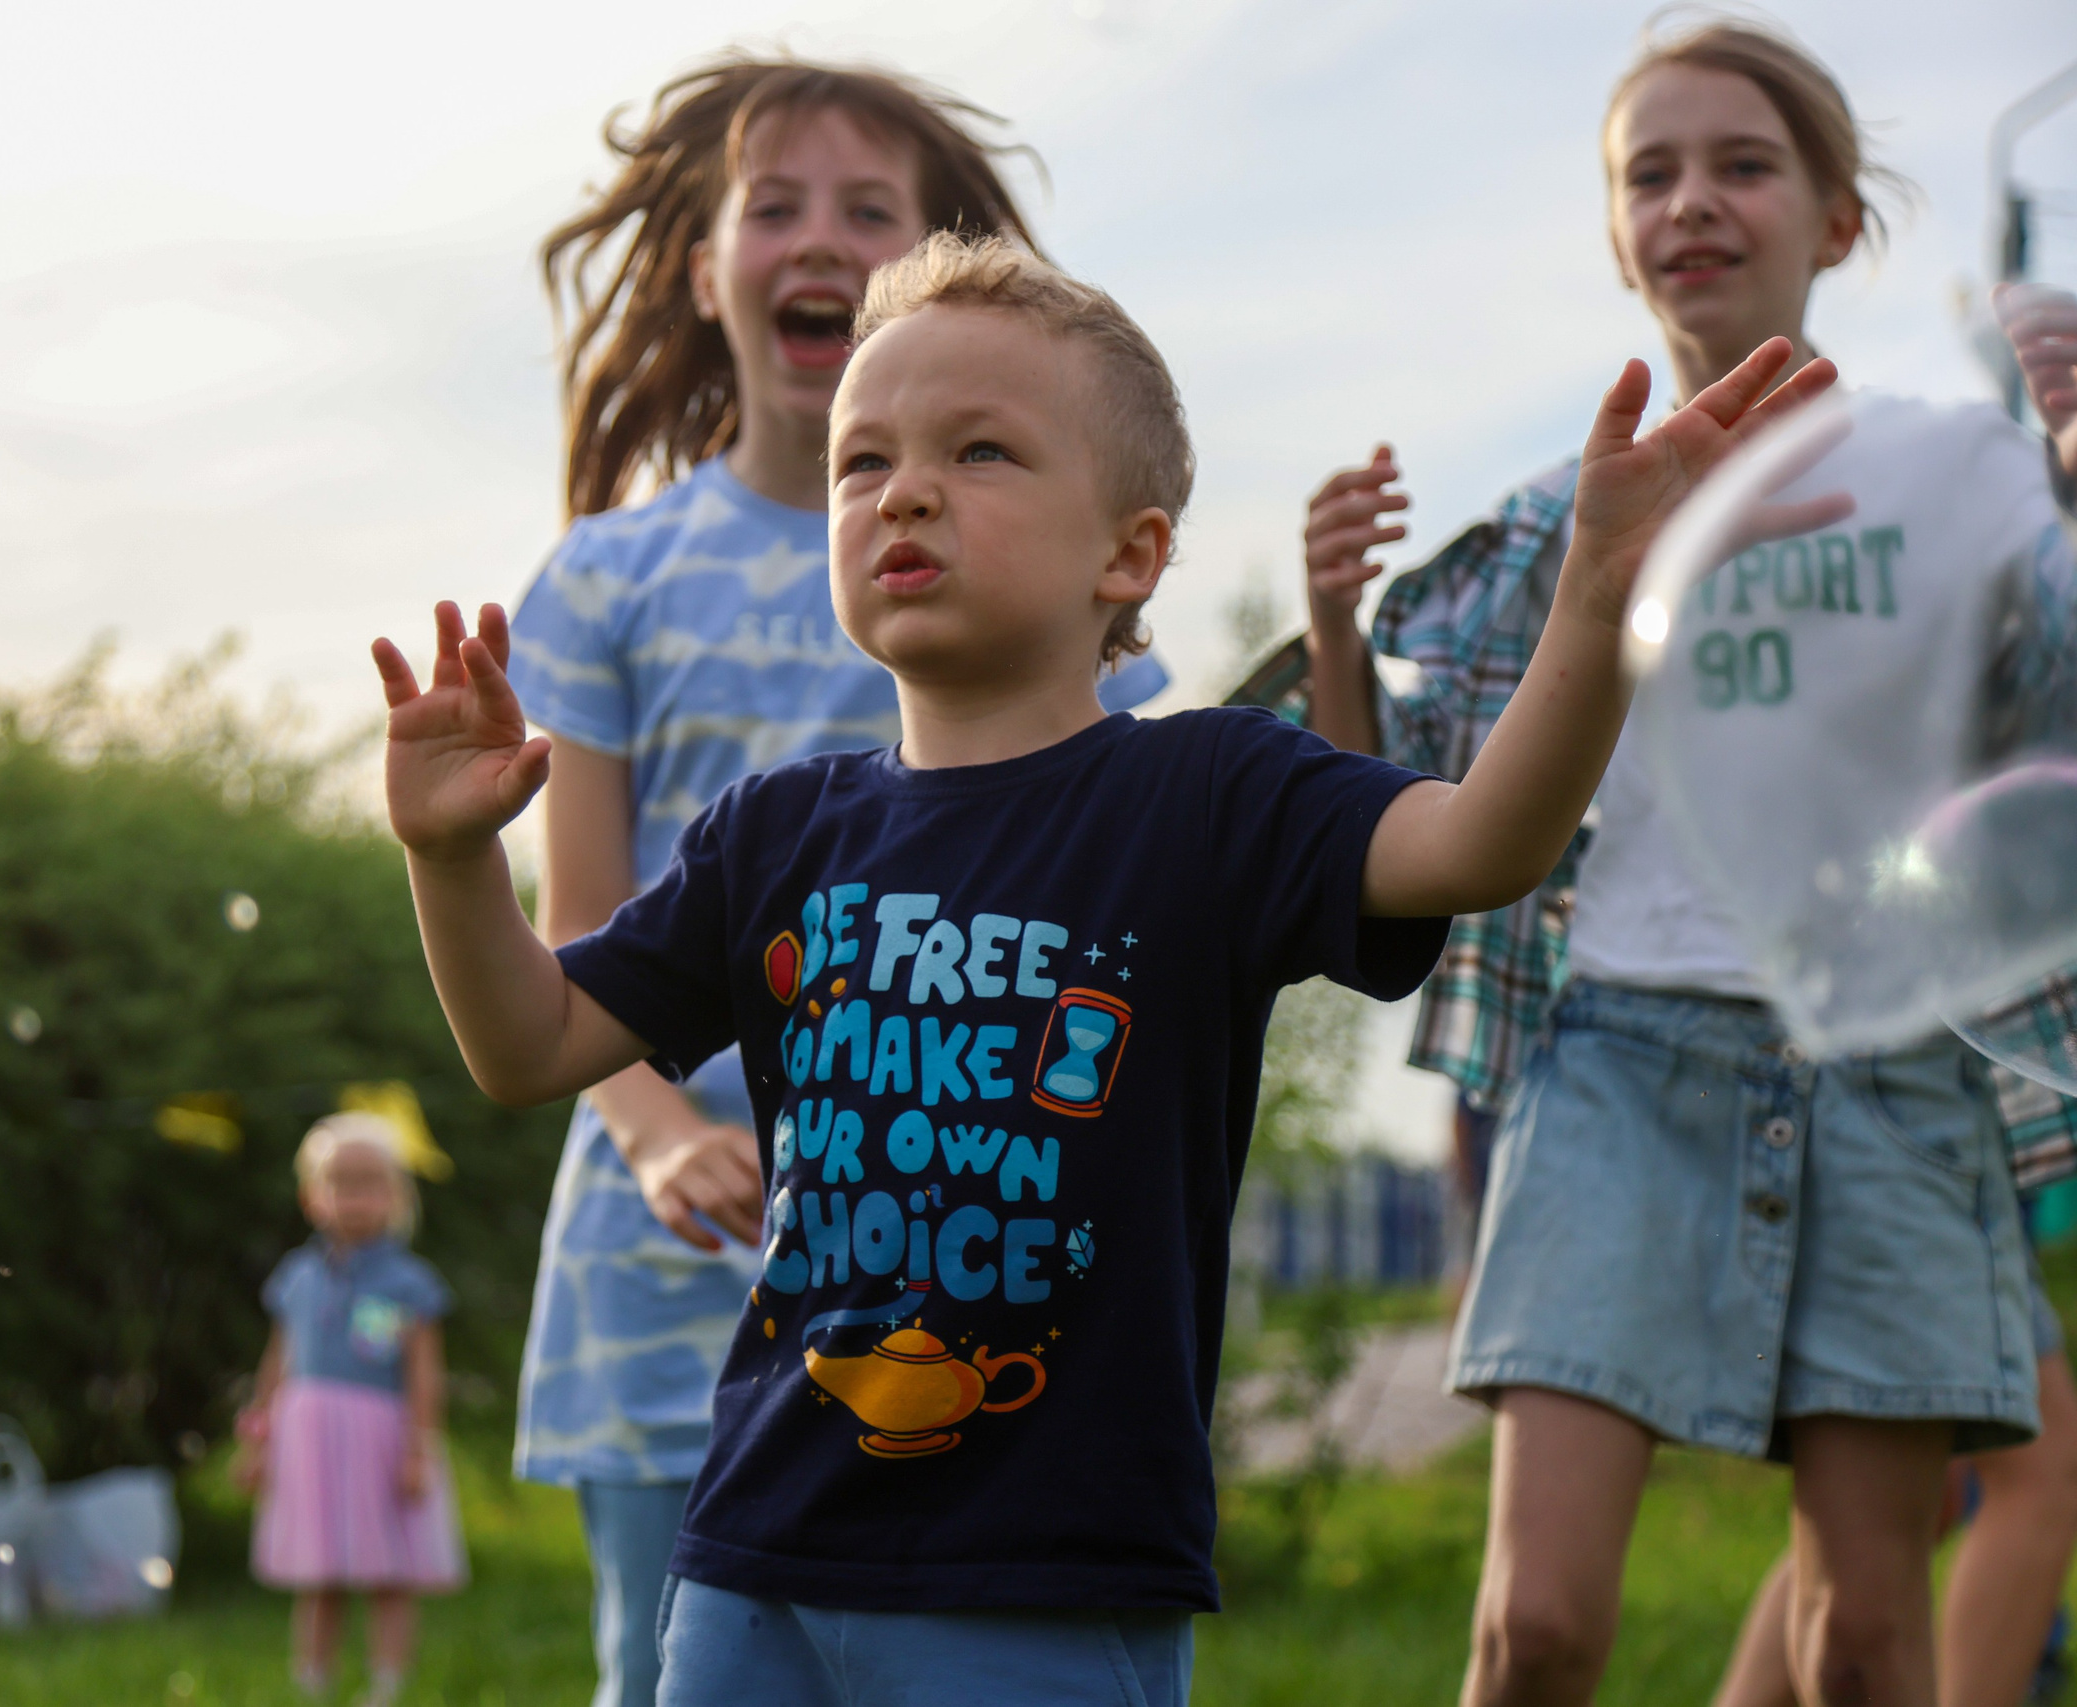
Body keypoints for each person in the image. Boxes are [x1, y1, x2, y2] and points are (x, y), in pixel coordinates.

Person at [377, 229, 1829, 1702]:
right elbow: (530, 1042)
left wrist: (1597, 599)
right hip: (754, 1557)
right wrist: (451, 859)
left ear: (1128, 554)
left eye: (980, 451)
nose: (904, 490)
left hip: (1048, 1580)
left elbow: (1477, 844)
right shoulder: (774, 833)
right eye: (861, 461)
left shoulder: (1207, 793)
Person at [1296, 22, 2077, 1705]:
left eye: (1743, 166)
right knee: (1535, 1627)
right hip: (1617, 1060)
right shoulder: (1560, 515)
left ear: (1838, 219)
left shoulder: (1959, 479)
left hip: (1895, 1075)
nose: (1693, 202)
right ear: (1614, 234)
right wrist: (1335, 627)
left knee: (1862, 1639)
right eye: (1650, 175)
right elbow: (1406, 819)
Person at [505, 56, 1164, 1707]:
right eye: (775, 205)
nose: (818, 237)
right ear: (703, 270)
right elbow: (577, 928)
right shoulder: (609, 575)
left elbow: (1125, 851)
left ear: (934, 272)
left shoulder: (1028, 562)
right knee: (670, 1664)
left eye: (870, 210)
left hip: (954, 1229)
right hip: (670, 1244)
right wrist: (661, 1138)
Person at [1708, 283, 2077, 1707]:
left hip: (1896, 1066)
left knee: (1925, 1502)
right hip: (1885, 1074)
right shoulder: (1929, 527)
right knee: (2034, 1470)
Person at [237, 1114, 464, 1706]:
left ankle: (387, 1685)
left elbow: (424, 1375)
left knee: (388, 1571)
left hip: (379, 1441)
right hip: (309, 1442)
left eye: (370, 1183)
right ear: (311, 1196)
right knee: (319, 1572)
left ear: (397, 1196)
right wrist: (257, 1439)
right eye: (340, 1182)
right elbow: (277, 1362)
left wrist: (419, 1449)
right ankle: (312, 1682)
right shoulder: (297, 1277)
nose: (355, 1198)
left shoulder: (410, 1283)